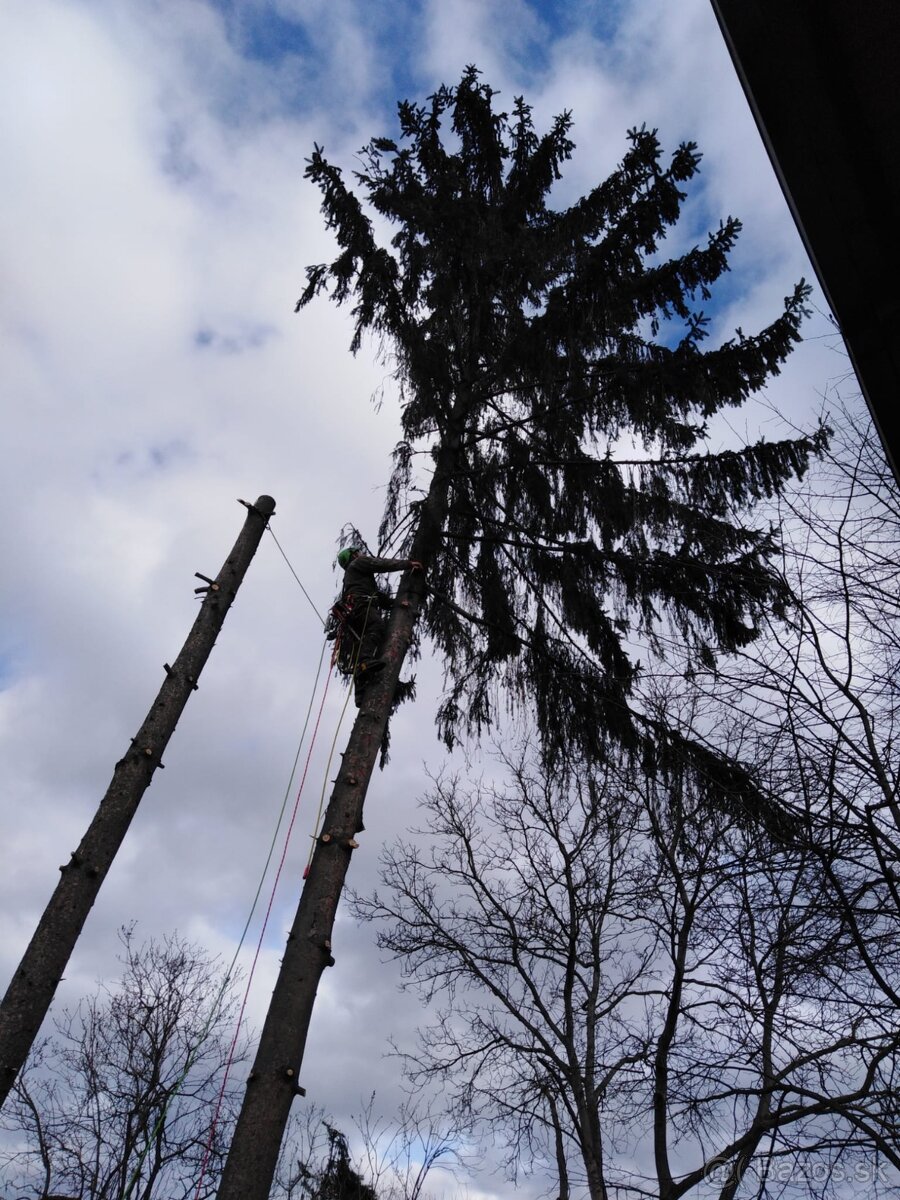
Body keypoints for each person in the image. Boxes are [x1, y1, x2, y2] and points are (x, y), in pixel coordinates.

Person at [335, 547, 423, 699]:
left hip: (356, 610)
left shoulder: (353, 577)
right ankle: (364, 663)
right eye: (359, 552)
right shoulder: (358, 563)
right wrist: (408, 564)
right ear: (354, 555)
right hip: (361, 606)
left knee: (366, 640)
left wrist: (396, 604)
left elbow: (377, 596)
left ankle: (360, 691)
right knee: (376, 627)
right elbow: (380, 564)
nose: (362, 554)